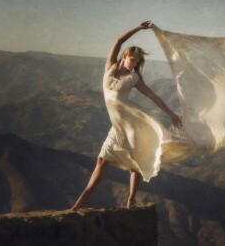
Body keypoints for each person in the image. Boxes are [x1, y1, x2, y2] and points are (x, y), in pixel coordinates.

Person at [71, 21, 182, 210]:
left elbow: (152, 95)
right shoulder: (110, 68)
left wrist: (171, 113)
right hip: (117, 126)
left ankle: (130, 199)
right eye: (133, 59)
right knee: (102, 160)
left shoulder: (134, 78)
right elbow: (119, 40)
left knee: (135, 162)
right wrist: (139, 28)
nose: (135, 63)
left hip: (132, 124)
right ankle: (85, 197)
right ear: (124, 56)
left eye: (138, 61)